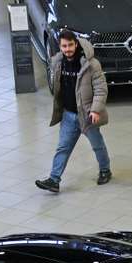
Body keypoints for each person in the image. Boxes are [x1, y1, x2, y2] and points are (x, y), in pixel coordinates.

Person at [36, 29, 111, 193]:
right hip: (68, 115)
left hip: (87, 115)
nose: (67, 49)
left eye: (70, 45)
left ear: (76, 44)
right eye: (64, 46)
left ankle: (105, 170)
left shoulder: (91, 64)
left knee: (97, 145)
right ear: (60, 46)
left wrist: (95, 110)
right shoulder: (58, 62)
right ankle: (54, 180)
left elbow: (101, 89)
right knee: (63, 148)